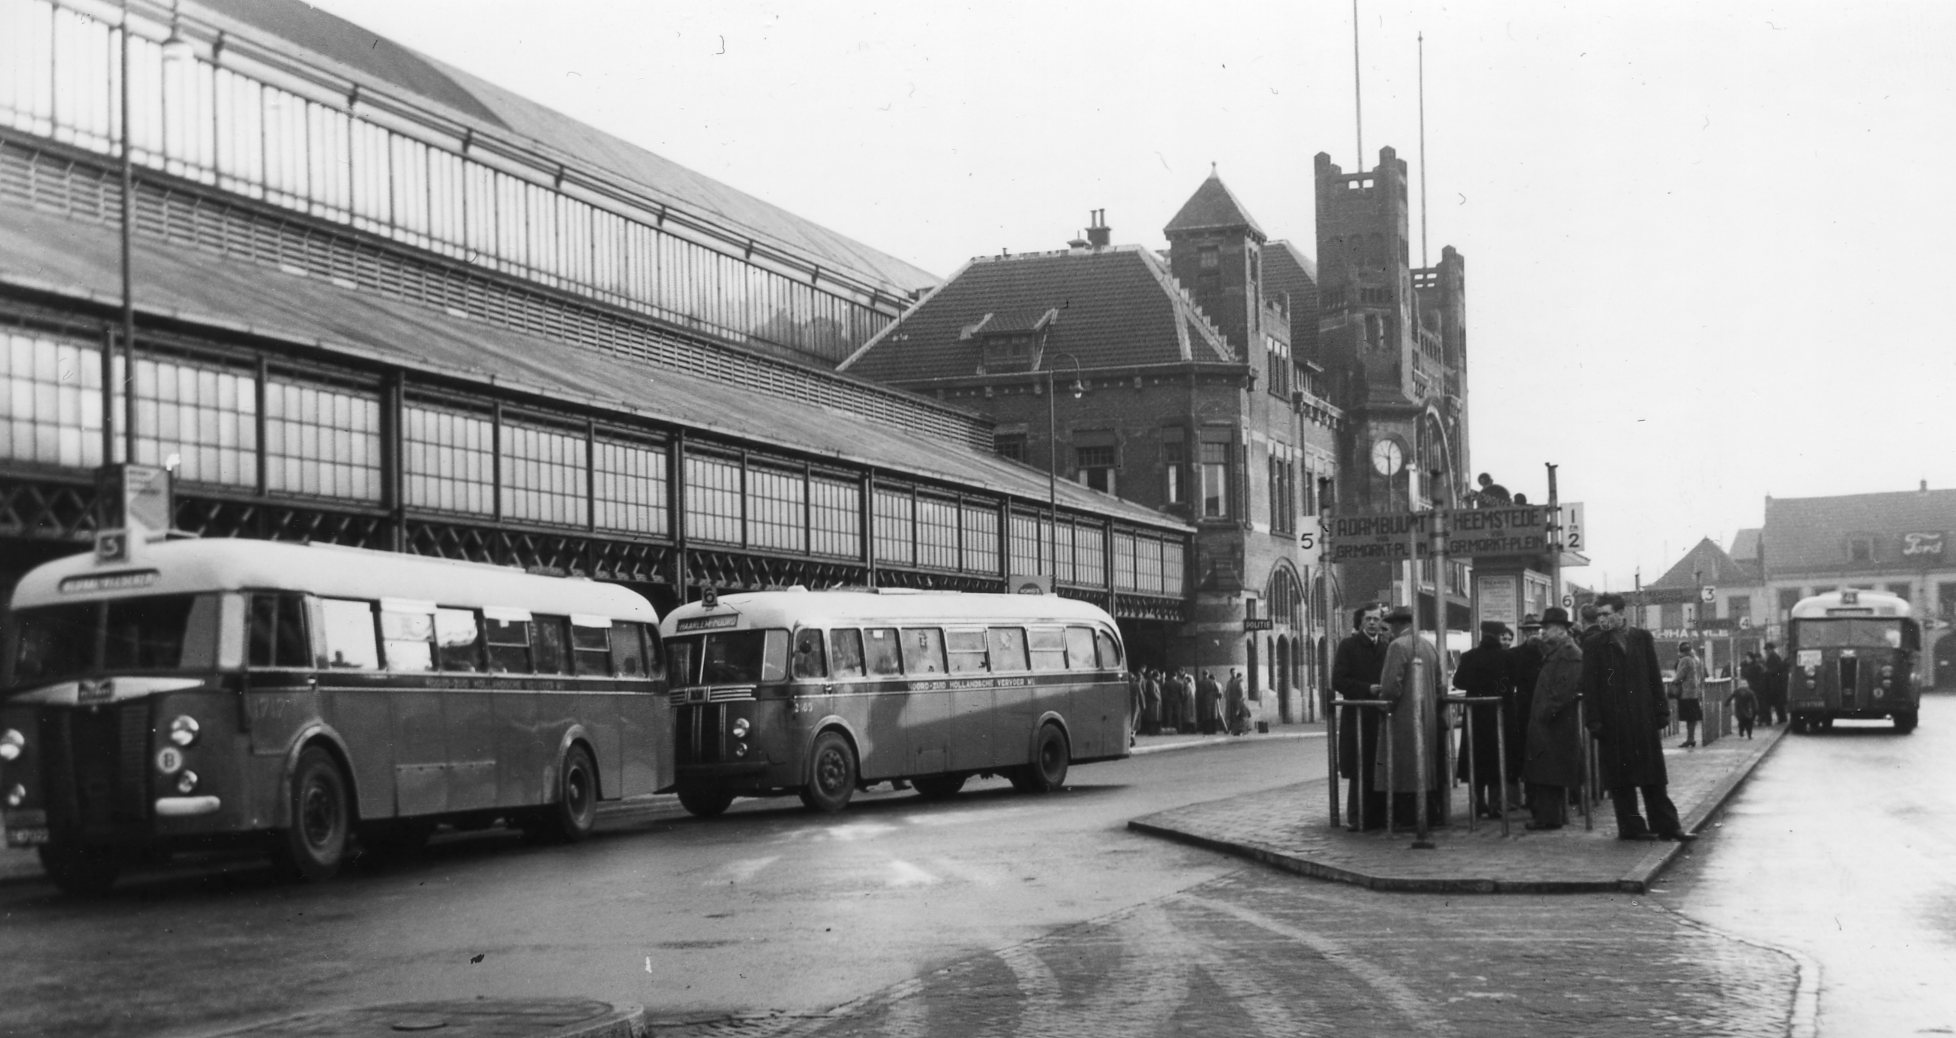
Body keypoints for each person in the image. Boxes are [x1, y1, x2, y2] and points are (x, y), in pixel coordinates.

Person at [1583, 593, 1691, 842]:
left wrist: (1661, 709)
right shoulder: (1594, 644)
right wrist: (1594, 720)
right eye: (1599, 615)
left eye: (1607, 614)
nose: (1602, 619)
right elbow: (1590, 685)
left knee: (1653, 776)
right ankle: (1631, 828)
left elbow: (1653, 676)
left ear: (1622, 614)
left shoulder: (1641, 639)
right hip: (1613, 722)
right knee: (1621, 780)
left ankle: (1667, 826)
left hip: (1642, 718)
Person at [1376, 605, 1447, 828]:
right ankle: (1429, 813)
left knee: (1403, 768)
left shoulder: (1397, 646)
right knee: (1424, 767)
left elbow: (1390, 686)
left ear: (1397, 625)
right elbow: (1438, 683)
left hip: (1403, 717)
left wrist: (1383, 705)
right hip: (1428, 717)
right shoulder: (1428, 646)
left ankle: (1407, 817)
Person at [1522, 607, 1585, 830]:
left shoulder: (1569, 653)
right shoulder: (1557, 650)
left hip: (1554, 725)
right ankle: (1548, 816)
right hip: (1548, 723)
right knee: (1545, 771)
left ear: (1560, 630)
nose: (1543, 633)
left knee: (1550, 772)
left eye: (1547, 628)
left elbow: (1564, 689)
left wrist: (1546, 712)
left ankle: (1549, 818)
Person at [1332, 603, 1390, 830]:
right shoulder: (1348, 646)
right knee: (1359, 767)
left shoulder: (1386, 647)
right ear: (1360, 622)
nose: (1373, 623)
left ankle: (1377, 816)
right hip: (1357, 716)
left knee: (1378, 764)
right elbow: (1338, 680)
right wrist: (1368, 689)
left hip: (1380, 716)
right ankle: (1357, 817)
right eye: (1369, 619)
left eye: (1377, 619)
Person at [1453, 620, 1513, 819]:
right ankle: (1496, 804)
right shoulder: (1506, 657)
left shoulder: (1470, 656)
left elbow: (1458, 681)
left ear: (1482, 633)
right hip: (1499, 715)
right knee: (1498, 759)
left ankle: (1478, 803)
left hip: (1476, 715)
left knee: (1475, 760)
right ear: (1499, 635)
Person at [1508, 614, 1548, 798]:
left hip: (1544, 705)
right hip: (1524, 707)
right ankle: (1530, 793)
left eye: (1535, 629)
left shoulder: (1547, 650)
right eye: (1528, 630)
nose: (1532, 633)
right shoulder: (1515, 654)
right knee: (1526, 749)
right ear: (1523, 633)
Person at [1674, 641, 1706, 748]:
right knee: (1692, 718)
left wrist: (1674, 682)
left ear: (1681, 651)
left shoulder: (1685, 660)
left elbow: (1680, 676)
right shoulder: (1695, 659)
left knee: (1689, 717)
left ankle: (1690, 739)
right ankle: (1691, 738)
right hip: (1694, 693)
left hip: (1686, 693)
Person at [1763, 642, 1789, 725]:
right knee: (1778, 703)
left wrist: (1768, 672)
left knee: (1777, 702)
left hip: (1775, 683)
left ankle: (1781, 719)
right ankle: (1782, 718)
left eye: (1767, 649)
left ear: (1770, 649)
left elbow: (1777, 670)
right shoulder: (1774, 656)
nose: (1766, 651)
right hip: (1775, 683)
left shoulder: (1773, 657)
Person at [1196, 670, 1223, 734]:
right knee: (1213, 715)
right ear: (1208, 674)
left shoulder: (1200, 682)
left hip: (1204, 700)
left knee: (1206, 716)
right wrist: (1218, 698)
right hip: (1213, 700)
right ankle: (1214, 730)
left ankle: (1206, 730)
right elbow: (1218, 692)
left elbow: (1199, 693)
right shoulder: (1212, 682)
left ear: (1202, 675)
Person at [1224, 668, 1250, 735]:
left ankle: (1239, 731)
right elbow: (1227, 692)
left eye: (1235, 672)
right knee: (1235, 716)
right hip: (1232, 702)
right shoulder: (1230, 682)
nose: (1234, 674)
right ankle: (1236, 730)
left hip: (1237, 701)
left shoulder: (1237, 681)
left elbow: (1242, 690)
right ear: (1231, 673)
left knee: (1238, 716)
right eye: (1233, 673)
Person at [1140, 668, 1163, 736]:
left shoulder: (1154, 682)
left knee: (1155, 718)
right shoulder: (1151, 682)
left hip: (1155, 703)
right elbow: (1152, 692)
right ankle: (1152, 731)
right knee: (1153, 718)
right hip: (1153, 703)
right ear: (1156, 676)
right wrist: (1158, 698)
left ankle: (1154, 731)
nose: (1159, 678)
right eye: (1158, 676)